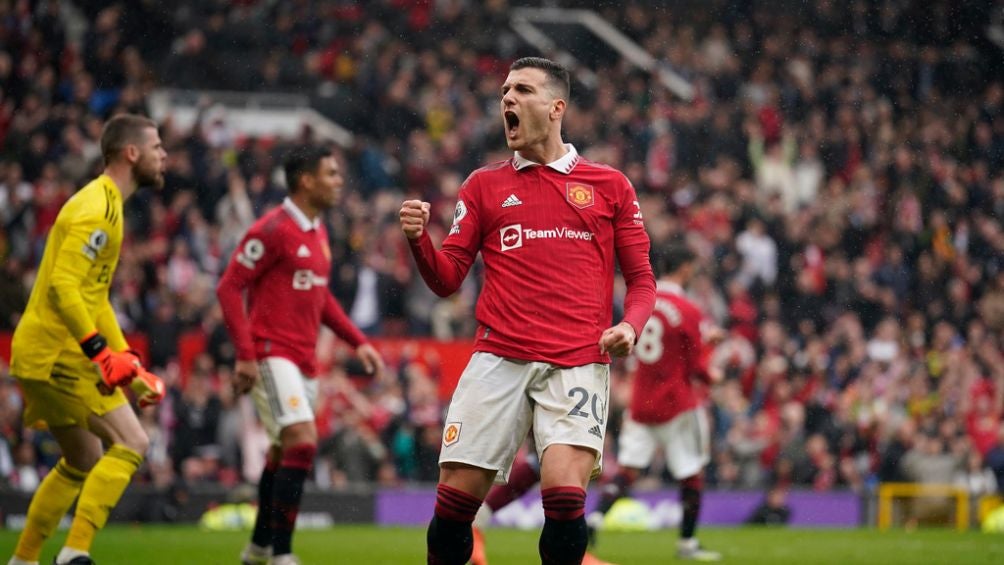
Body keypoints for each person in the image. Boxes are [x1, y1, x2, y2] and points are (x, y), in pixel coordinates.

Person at [399, 56, 656, 565]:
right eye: (504, 93)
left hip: (577, 361)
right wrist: (417, 241)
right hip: (499, 358)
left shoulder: (610, 186)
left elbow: (643, 280)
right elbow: (447, 278)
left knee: (563, 498)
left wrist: (630, 324)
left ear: (556, 107)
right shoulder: (482, 185)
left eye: (521, 90)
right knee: (453, 506)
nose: (507, 100)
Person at [7, 114, 168, 565]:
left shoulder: (109, 205)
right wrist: (99, 353)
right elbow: (62, 287)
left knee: (82, 457)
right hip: (57, 352)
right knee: (133, 443)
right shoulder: (97, 208)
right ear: (130, 153)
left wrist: (129, 364)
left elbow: (94, 299)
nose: (165, 156)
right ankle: (74, 553)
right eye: (157, 147)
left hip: (45, 350)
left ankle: (24, 559)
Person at [216, 145, 385, 565]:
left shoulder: (318, 229)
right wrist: (244, 356)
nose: (339, 181)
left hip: (304, 359)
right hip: (272, 354)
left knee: (281, 453)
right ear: (306, 180)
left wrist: (356, 340)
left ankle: (257, 548)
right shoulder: (272, 228)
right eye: (331, 173)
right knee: (303, 442)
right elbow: (228, 286)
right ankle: (283, 554)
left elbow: (321, 296)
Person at [586, 244, 723, 561]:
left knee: (628, 470)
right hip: (675, 403)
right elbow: (695, 366)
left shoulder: (641, 303)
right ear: (686, 268)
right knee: (691, 472)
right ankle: (687, 543)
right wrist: (711, 366)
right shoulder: (688, 309)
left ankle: (594, 518)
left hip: (641, 401)